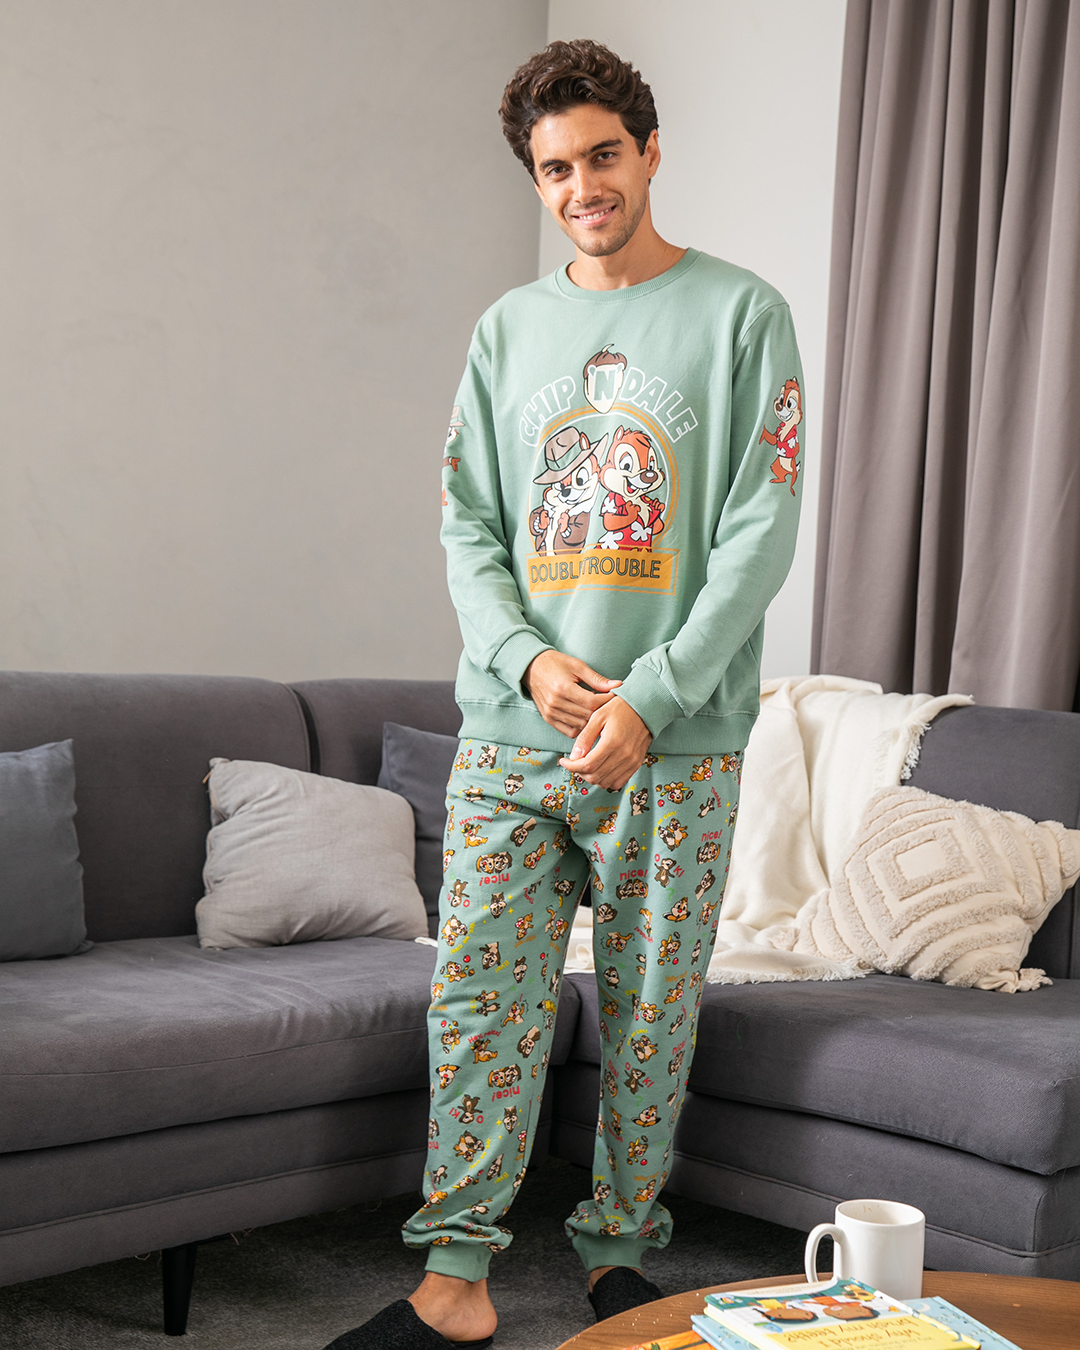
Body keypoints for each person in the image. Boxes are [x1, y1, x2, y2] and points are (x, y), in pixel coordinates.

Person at [325, 37, 803, 1350]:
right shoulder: (507, 331)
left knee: (652, 1016)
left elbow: (761, 528)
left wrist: (654, 696)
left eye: (603, 156)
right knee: (481, 1001)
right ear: (534, 181)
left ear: (648, 153)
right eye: (555, 169)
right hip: (511, 736)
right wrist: (527, 661)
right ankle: (455, 1279)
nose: (582, 187)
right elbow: (468, 529)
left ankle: (617, 1258)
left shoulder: (743, 314)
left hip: (673, 742)